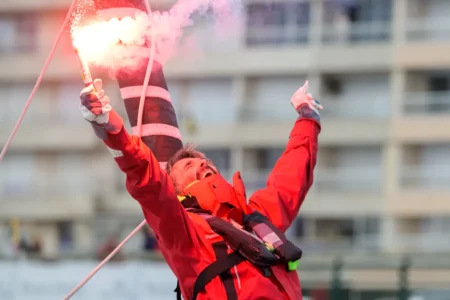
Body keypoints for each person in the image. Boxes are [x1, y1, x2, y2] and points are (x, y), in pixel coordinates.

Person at [79, 78, 322, 300]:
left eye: (205, 161)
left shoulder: (254, 215)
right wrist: (112, 129)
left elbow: (291, 176)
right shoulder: (185, 230)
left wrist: (307, 119)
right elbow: (148, 180)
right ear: (177, 190)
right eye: (188, 165)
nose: (202, 163)